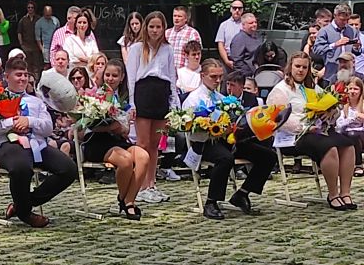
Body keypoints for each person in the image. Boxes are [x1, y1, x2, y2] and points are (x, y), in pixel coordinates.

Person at [183, 59, 277, 219]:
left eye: (220, 77)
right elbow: (192, 133)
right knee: (225, 158)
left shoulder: (222, 98)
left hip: (227, 140)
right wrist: (211, 128)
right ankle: (211, 202)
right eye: (213, 77)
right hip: (205, 143)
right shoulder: (193, 99)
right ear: (202, 76)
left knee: (268, 156)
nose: (218, 80)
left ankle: (243, 193)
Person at [0, 57, 77, 226]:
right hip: (8, 145)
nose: (23, 79)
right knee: (21, 167)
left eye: (25, 75)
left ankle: (24, 204)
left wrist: (29, 121)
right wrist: (12, 123)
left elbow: (48, 128)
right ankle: (25, 214)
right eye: (18, 75)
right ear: (7, 77)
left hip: (37, 144)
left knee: (69, 169)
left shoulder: (36, 101)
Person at [267, 52, 357, 210]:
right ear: (290, 67)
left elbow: (331, 105)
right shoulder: (280, 90)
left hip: (319, 130)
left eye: (304, 67)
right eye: (297, 66)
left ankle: (345, 193)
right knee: (330, 147)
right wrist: (305, 127)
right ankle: (333, 194)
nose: (300, 70)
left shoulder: (312, 87)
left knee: (348, 145)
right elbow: (279, 119)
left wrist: (331, 112)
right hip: (294, 136)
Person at [80, 59, 148, 219]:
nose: (110, 79)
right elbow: (85, 128)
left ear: (122, 77)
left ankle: (128, 200)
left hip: (117, 139)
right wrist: (110, 126)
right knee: (125, 161)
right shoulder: (94, 96)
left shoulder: (124, 99)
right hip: (97, 141)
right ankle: (125, 201)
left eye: (114, 76)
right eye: (107, 75)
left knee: (143, 157)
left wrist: (121, 127)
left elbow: (125, 129)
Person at [127, 11, 179, 203]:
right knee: (142, 143)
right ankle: (139, 185)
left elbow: (172, 76)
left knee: (155, 144)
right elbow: (131, 78)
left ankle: (151, 183)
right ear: (146, 28)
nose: (155, 30)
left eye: (158, 27)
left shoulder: (168, 49)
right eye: (151, 27)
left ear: (163, 28)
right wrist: (132, 103)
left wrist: (174, 102)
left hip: (161, 94)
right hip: (144, 93)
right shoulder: (136, 48)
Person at [313, 3, 362, 81]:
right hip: (331, 74)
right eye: (342, 20)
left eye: (347, 19)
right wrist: (335, 44)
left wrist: (356, 47)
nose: (345, 22)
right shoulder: (325, 31)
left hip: (349, 75)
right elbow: (317, 50)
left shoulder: (352, 30)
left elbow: (356, 52)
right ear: (335, 16)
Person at [337, 76, 364, 177]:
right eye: (350, 89)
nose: (352, 91)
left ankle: (359, 165)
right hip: (346, 132)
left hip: (360, 133)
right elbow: (339, 124)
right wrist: (352, 119)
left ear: (361, 91)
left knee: (353, 134)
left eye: (356, 89)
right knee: (340, 133)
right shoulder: (343, 106)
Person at [215, 0, 245, 70]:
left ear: (242, 10)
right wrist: (226, 61)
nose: (237, 10)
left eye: (239, 8)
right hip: (227, 60)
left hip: (243, 61)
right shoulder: (224, 25)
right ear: (231, 9)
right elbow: (220, 45)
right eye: (234, 8)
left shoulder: (246, 25)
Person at [229, 13, 260, 77]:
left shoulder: (257, 37)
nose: (254, 24)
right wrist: (248, 73)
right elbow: (237, 61)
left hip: (259, 73)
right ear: (243, 25)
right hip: (247, 75)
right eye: (251, 23)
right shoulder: (239, 39)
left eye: (255, 22)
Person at [17, 1, 42, 79]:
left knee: (37, 65)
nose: (30, 9)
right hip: (26, 46)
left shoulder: (39, 19)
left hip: (36, 46)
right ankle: (29, 80)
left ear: (34, 9)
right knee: (27, 65)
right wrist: (21, 44)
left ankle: (36, 81)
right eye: (29, 7)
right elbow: (19, 32)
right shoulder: (23, 19)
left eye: (32, 7)